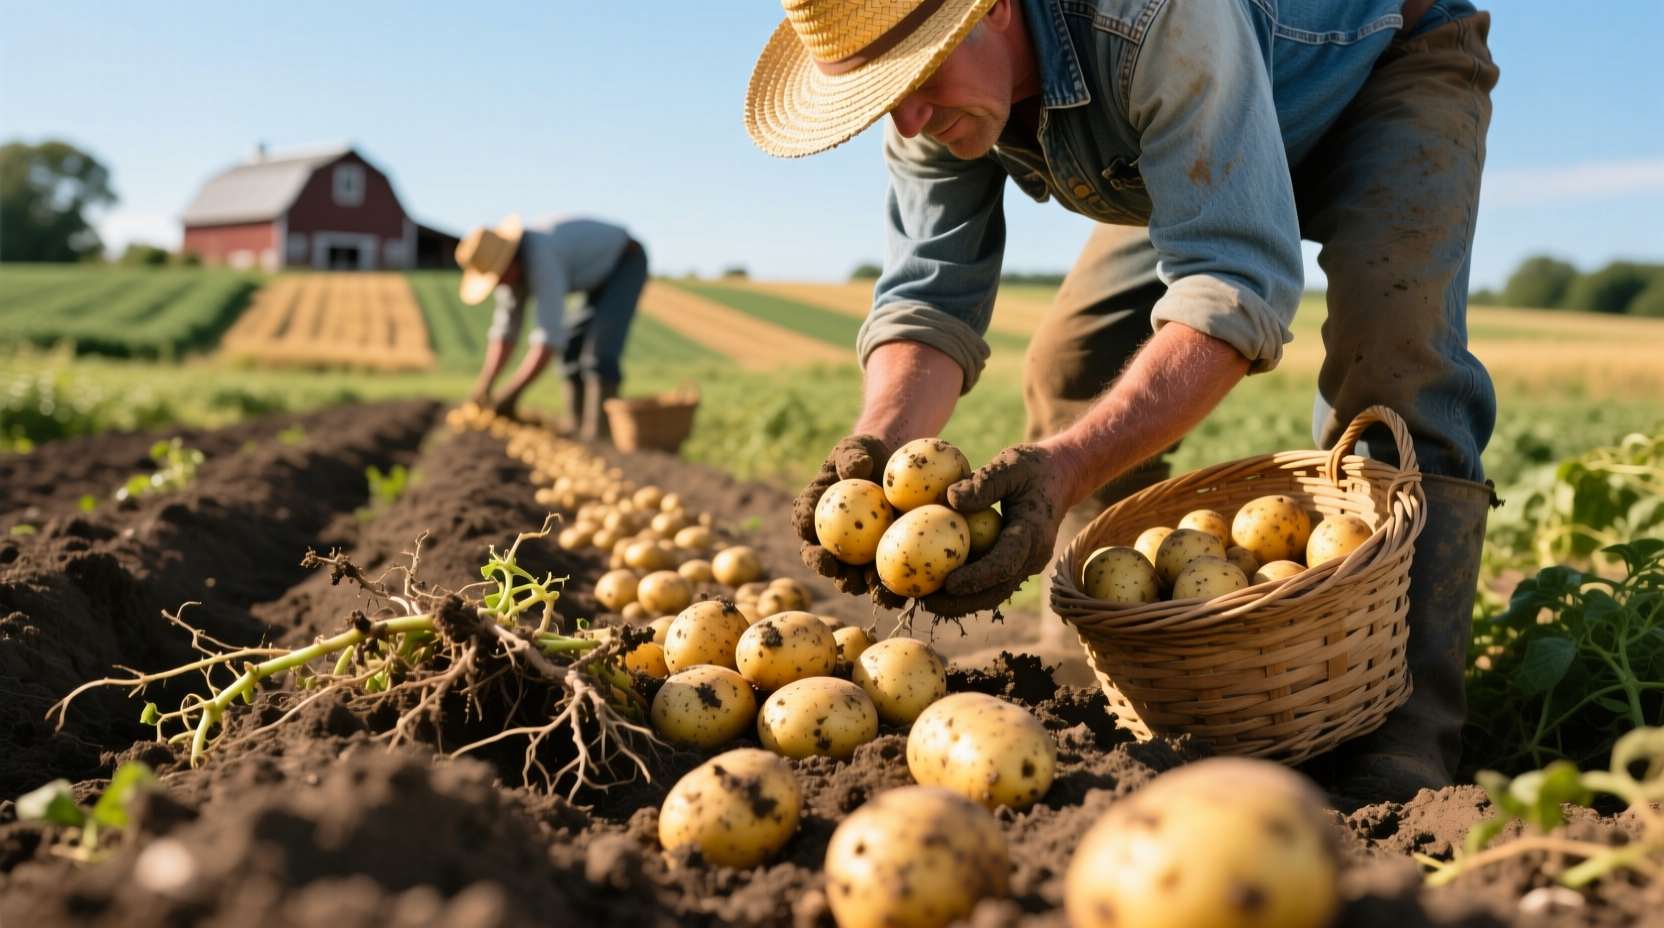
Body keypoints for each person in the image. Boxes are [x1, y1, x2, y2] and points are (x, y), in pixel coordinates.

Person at [748, 0, 1499, 799]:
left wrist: (1066, 466)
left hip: (1380, 69)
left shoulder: (1161, 16)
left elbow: (1230, 283)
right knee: (1073, 366)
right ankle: (1094, 664)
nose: (910, 114)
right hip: (1193, 124)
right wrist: (875, 447)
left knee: (1393, 364)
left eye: (921, 74)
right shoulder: (926, 107)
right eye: (879, 95)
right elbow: (929, 296)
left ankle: (1406, 723)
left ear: (996, 8)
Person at [455, 212, 647, 437]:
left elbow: (549, 339)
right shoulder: (511, 278)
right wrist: (484, 386)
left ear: (509, 260)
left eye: (499, 275)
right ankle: (576, 428)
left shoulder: (542, 256)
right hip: (593, 276)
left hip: (623, 262)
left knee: (599, 353)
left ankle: (599, 437)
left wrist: (511, 393)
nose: (500, 284)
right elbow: (505, 333)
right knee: (572, 348)